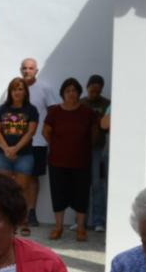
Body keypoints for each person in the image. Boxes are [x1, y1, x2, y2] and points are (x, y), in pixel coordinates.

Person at [42, 78, 96, 242]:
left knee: (81, 195)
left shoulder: (87, 112)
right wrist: (58, 146)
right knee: (58, 194)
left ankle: (80, 228)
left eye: (74, 90)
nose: (71, 93)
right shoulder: (54, 112)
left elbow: (94, 135)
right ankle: (58, 227)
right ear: (62, 94)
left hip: (81, 161)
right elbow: (46, 132)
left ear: (79, 93)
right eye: (68, 91)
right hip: (57, 161)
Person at [0, 77, 40, 235]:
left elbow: (31, 132)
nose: (17, 92)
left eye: (20, 89)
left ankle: (23, 220)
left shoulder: (31, 110)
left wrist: (15, 149)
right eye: (14, 89)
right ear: (10, 92)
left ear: (25, 92)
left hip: (24, 155)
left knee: (21, 190)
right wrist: (6, 149)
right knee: (3, 189)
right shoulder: (2, 109)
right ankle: (5, 221)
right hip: (3, 155)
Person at [21, 58, 59, 227]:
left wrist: (50, 136)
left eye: (31, 68)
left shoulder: (45, 88)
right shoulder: (15, 88)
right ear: (21, 70)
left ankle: (31, 213)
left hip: (37, 141)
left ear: (36, 70)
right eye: (24, 68)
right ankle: (19, 213)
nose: (27, 71)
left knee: (33, 178)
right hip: (17, 142)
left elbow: (53, 113)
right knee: (19, 178)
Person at [84, 75, 111, 232]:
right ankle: (81, 221)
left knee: (98, 185)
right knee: (81, 186)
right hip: (80, 150)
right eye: (92, 89)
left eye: (98, 90)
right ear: (87, 87)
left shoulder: (107, 104)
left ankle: (98, 221)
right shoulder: (81, 103)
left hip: (98, 150)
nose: (94, 92)